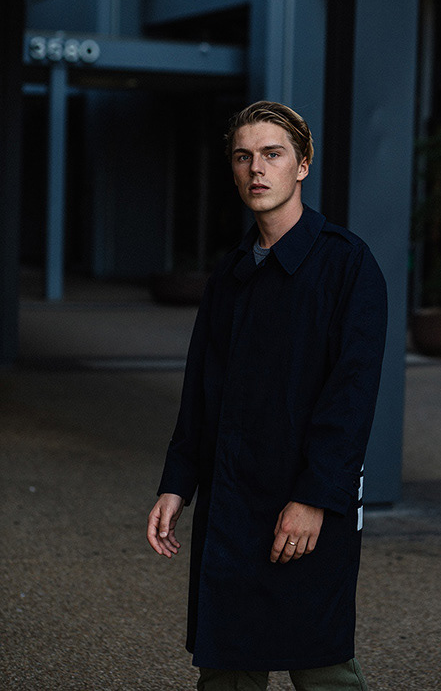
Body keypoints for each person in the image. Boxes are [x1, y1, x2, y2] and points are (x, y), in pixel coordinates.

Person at [147, 101, 387, 690]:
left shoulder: (347, 265)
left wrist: (314, 497)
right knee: (227, 667)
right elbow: (200, 391)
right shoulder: (230, 274)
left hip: (304, 500)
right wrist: (177, 482)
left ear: (302, 165)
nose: (256, 168)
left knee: (322, 665)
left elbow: (351, 398)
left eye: (272, 154)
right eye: (243, 156)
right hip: (231, 499)